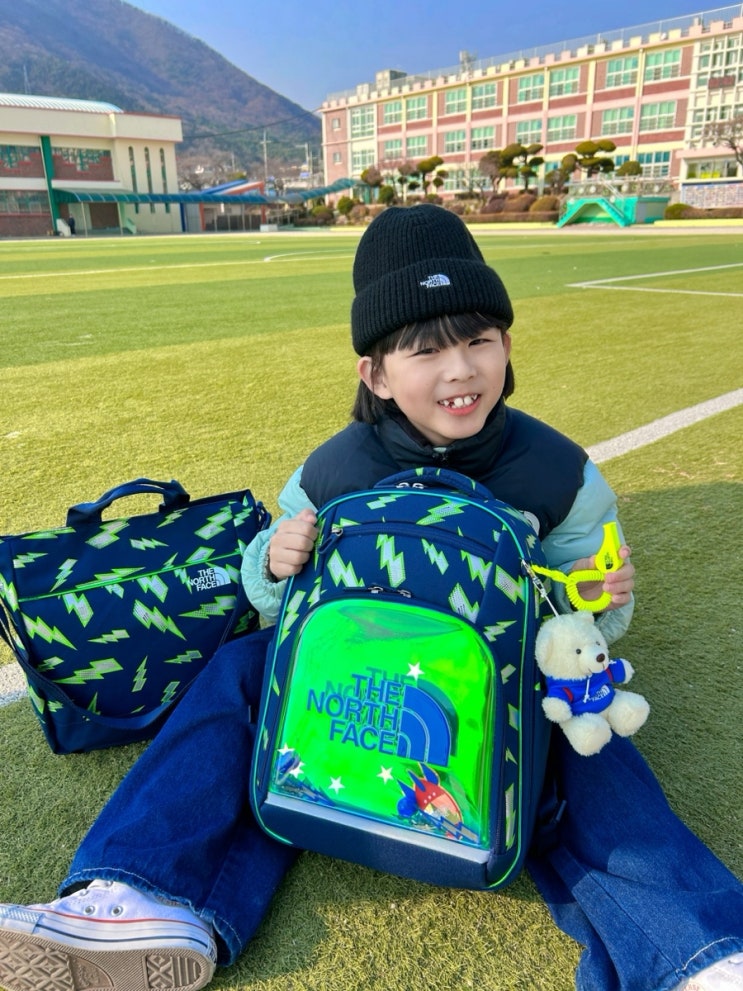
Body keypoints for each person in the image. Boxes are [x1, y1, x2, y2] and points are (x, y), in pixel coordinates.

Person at [0, 205, 741, 991]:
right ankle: (143, 893)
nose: (460, 370)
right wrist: (273, 560)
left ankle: (694, 953)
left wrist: (600, 599)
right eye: (426, 350)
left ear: (506, 345)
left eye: (478, 340)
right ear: (376, 374)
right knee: (240, 670)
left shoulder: (558, 473)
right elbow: (276, 604)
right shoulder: (334, 469)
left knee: (586, 730)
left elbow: (590, 630)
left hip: (490, 701)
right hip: (350, 694)